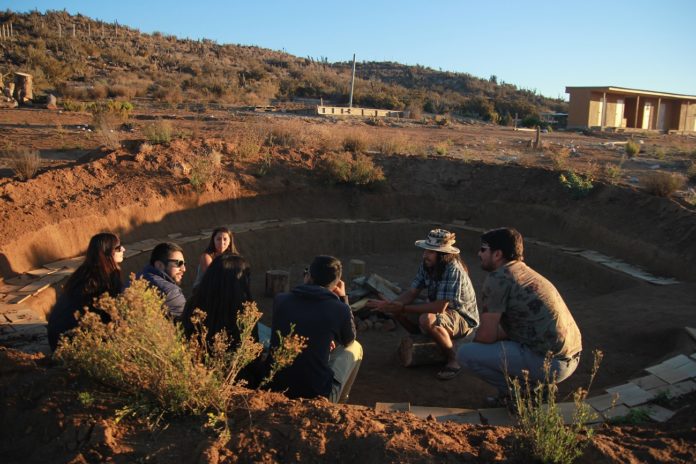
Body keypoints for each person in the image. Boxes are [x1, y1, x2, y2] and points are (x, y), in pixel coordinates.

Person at [457, 227, 582, 403]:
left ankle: (525, 394)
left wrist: (466, 341)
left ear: (497, 254)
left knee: (465, 353)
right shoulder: (525, 272)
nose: (479, 254)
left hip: (551, 364)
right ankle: (527, 389)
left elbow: (486, 336)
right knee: (494, 340)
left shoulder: (498, 279)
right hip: (571, 356)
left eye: (483, 250)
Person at [367, 229, 479, 380]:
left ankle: (453, 360)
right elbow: (412, 292)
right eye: (426, 250)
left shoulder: (452, 269)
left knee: (426, 319)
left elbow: (439, 307)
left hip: (462, 317)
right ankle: (423, 338)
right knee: (396, 309)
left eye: (431, 252)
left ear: (443, 254)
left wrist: (403, 307)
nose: (425, 255)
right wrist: (393, 305)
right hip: (442, 311)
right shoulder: (427, 264)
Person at [269, 255, 362, 403]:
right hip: (315, 394)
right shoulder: (339, 309)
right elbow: (348, 340)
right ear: (337, 283)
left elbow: (303, 321)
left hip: (276, 386)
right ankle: (336, 406)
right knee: (356, 347)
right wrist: (344, 299)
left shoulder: (281, 300)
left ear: (308, 276)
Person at [47, 233, 125, 351]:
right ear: (109, 252)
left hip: (55, 340)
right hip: (74, 344)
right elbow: (115, 315)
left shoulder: (83, 273)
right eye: (119, 248)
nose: (123, 249)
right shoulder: (107, 278)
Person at [137, 242, 187, 320]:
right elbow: (187, 324)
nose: (184, 269)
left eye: (184, 264)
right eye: (179, 263)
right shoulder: (172, 292)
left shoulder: (136, 278)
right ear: (159, 265)